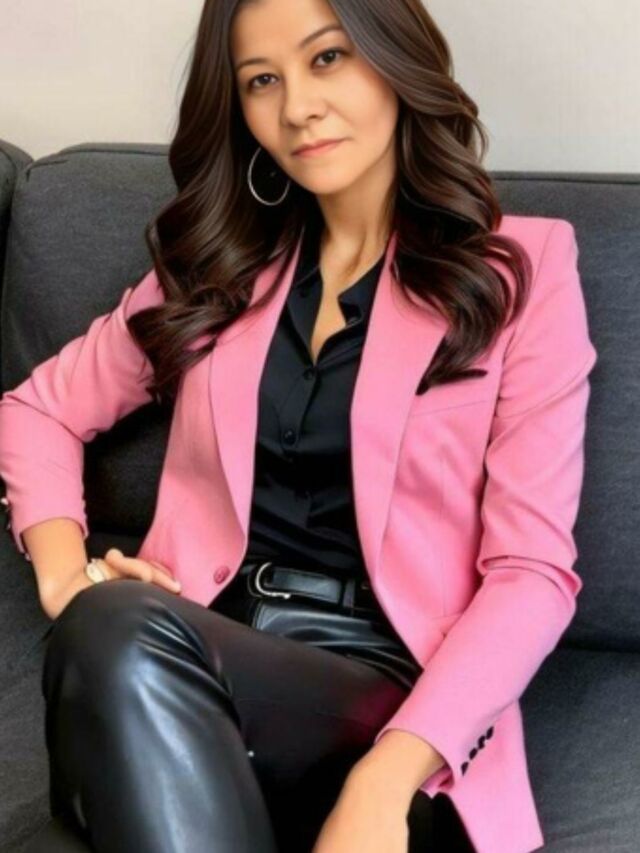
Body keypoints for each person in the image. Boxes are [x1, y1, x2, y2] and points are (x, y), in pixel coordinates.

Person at [0, 0, 598, 851]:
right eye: (261, 81)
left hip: (389, 695)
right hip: (197, 657)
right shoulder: (217, 270)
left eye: (327, 59)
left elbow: (531, 573)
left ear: (394, 59)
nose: (298, 108)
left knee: (107, 655)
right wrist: (69, 578)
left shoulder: (517, 272)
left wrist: (384, 779)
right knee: (107, 629)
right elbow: (36, 407)